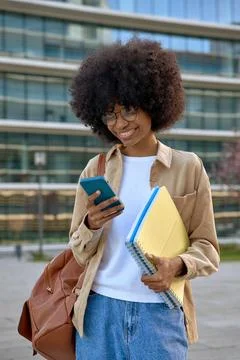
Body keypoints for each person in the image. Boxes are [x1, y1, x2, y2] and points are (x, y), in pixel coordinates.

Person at [69, 38, 220, 360]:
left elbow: (207, 247)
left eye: (129, 110)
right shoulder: (94, 169)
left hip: (159, 313)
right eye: (109, 114)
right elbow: (78, 251)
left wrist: (177, 264)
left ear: (153, 102)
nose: (120, 124)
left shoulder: (188, 167)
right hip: (98, 311)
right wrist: (91, 224)